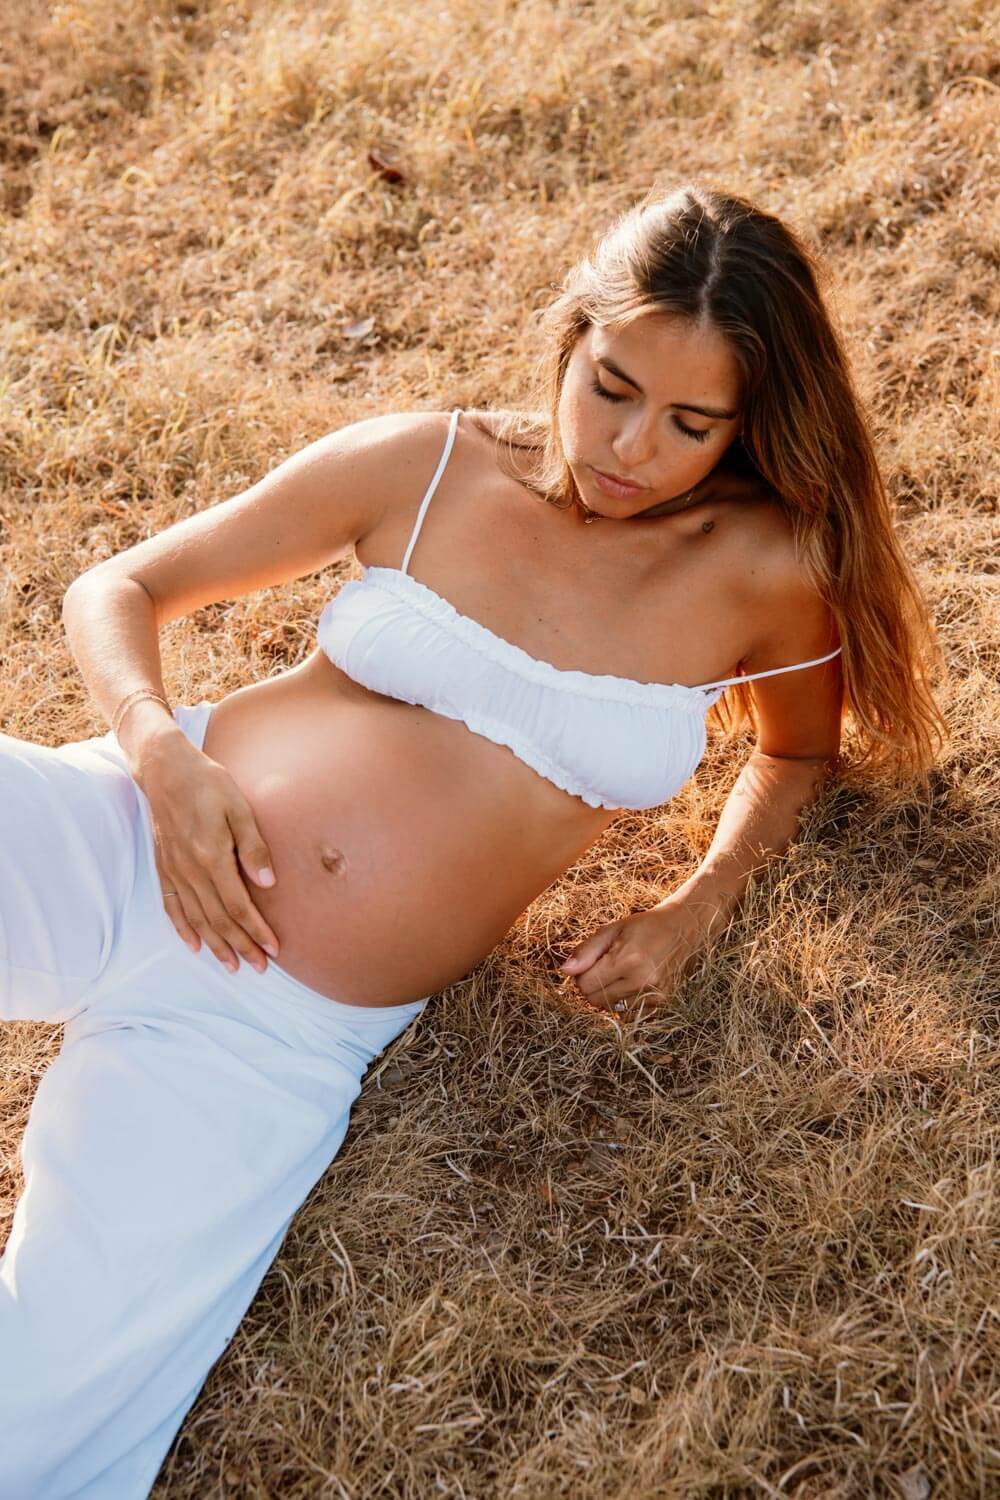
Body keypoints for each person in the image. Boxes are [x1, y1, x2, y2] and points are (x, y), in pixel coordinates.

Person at [0, 183, 946, 1495]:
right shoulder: (431, 462)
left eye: (690, 422)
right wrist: (164, 763)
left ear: (747, 421)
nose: (632, 446)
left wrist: (696, 906)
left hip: (264, 1036)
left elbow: (793, 755)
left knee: (41, 1420)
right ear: (570, 337)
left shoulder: (768, 567)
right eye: (609, 386)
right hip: (121, 843)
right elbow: (123, 587)